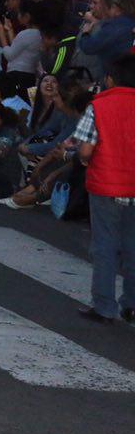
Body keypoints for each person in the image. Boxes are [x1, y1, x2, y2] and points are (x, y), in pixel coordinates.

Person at [72, 55, 135, 325]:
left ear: (110, 79)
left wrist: (83, 158)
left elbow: (85, 149)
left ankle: (104, 304)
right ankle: (131, 303)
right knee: (133, 246)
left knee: (105, 245)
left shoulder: (98, 106)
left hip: (106, 183)